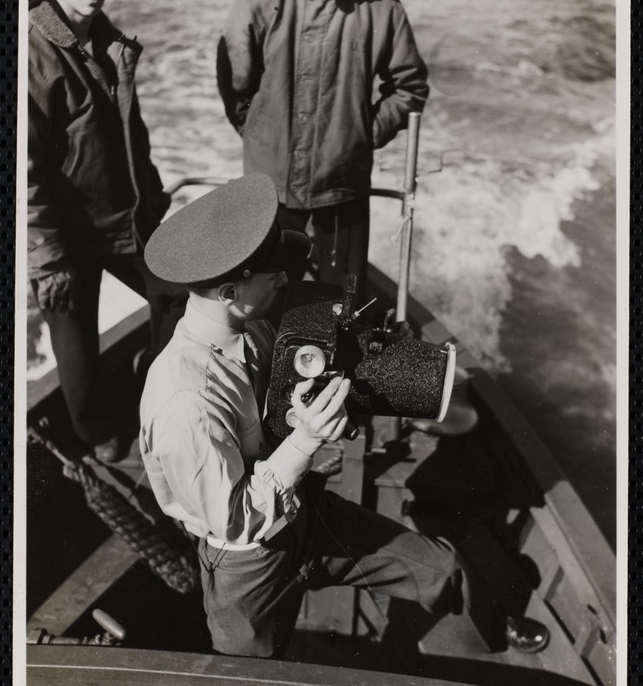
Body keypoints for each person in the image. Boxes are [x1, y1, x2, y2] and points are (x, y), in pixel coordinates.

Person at [139, 174, 549, 659]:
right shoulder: (186, 399)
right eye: (273, 275)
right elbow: (235, 522)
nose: (287, 280)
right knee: (249, 683)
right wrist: (306, 441)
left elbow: (287, 388)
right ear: (229, 291)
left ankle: (493, 625)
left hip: (303, 509)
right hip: (248, 561)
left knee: (441, 569)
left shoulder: (255, 324)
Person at [28, 0, 188, 462]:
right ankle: (96, 432)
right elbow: (23, 171)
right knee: (75, 340)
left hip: (123, 219)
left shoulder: (108, 39)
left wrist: (152, 198)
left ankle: (155, 396)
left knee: (178, 294)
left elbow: (131, 135)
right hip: (62, 235)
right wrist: (47, 258)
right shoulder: (32, 49)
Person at [217, 0, 429, 303]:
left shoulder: (383, 8)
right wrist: (257, 128)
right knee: (258, 303)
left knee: (345, 304)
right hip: (270, 182)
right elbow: (235, 78)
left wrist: (360, 134)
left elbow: (410, 87)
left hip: (343, 183)